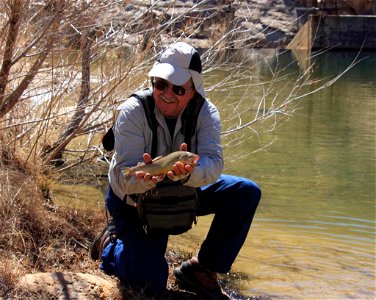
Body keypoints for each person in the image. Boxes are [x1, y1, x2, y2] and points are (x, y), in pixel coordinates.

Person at [95, 42, 261, 299]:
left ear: (194, 90)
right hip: (135, 200)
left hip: (183, 188)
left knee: (245, 192)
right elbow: (122, 177)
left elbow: (214, 162)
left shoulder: (206, 112)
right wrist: (146, 180)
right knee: (149, 282)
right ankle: (111, 245)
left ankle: (202, 269)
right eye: (160, 84)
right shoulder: (132, 111)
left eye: (178, 88)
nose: (167, 93)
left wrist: (188, 174)